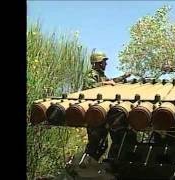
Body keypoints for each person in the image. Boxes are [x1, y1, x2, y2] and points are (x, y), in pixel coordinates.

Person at [55, 51, 130, 180]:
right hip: (93, 115)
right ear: (97, 63)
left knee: (103, 144)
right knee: (95, 143)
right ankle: (83, 167)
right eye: (103, 62)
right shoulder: (91, 75)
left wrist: (122, 78)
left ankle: (96, 166)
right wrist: (104, 84)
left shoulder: (101, 75)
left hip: (102, 114)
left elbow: (110, 82)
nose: (105, 64)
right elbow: (89, 87)